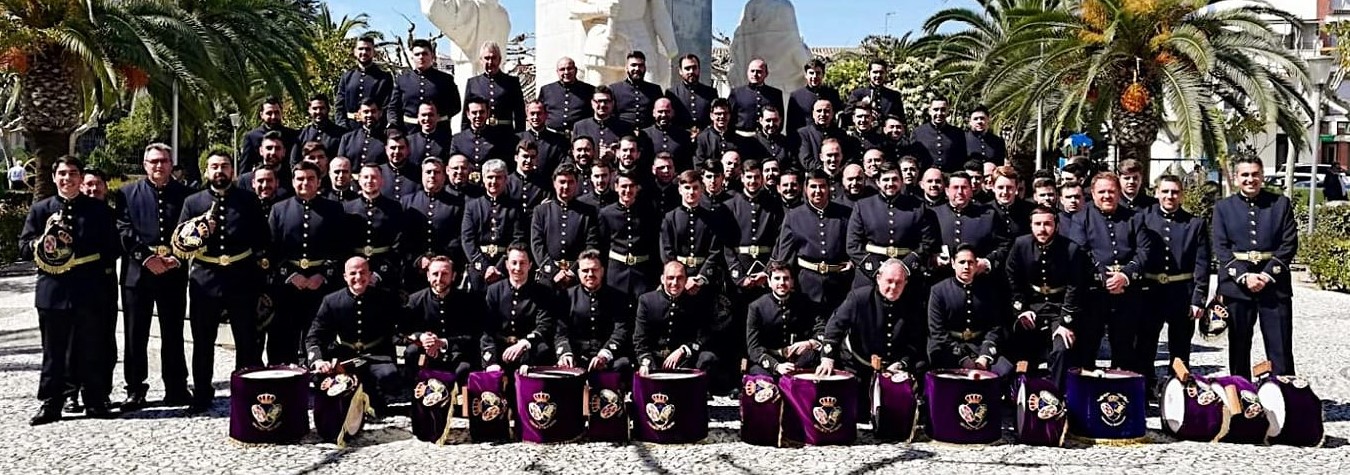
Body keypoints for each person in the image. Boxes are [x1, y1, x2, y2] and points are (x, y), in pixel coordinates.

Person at [21, 156, 122, 424]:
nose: (68, 178)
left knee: (92, 347)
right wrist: (41, 244)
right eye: (62, 173)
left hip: (89, 289)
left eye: (73, 173)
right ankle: (51, 403)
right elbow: (24, 245)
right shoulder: (41, 210)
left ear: (80, 178)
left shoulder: (98, 211)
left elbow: (113, 248)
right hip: (52, 291)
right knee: (53, 351)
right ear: (54, 177)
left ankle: (95, 400)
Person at [115, 143, 193, 411]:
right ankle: (135, 389)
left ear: (171, 164)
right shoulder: (127, 193)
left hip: (173, 273)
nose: (158, 166)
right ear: (145, 165)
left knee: (173, 332)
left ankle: (176, 387)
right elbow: (123, 229)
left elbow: (191, 232)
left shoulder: (186, 195)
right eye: (153, 162)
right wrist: (146, 258)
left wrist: (177, 257)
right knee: (136, 335)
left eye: (163, 161)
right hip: (138, 276)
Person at [1213, 156, 1298, 378]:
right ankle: (1242, 397)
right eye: (1245, 175)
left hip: (1274, 286)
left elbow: (1289, 243)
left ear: (1262, 175)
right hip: (1237, 289)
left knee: (1280, 347)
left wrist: (1266, 275)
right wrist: (1243, 276)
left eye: (1255, 174)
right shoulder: (1223, 207)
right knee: (1239, 347)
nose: (1250, 179)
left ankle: (1283, 399)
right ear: (1236, 177)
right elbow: (1221, 247)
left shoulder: (1280, 204)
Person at [1067, 172, 1155, 375]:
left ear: (1119, 193)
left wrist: (1125, 275)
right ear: (1093, 194)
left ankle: (1122, 394)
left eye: (1111, 191)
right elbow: (1080, 250)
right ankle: (1086, 396)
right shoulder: (1082, 218)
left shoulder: (1134, 218)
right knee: (1087, 347)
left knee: (1124, 349)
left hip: (1127, 292)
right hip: (1094, 294)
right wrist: (1105, 278)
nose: (1107, 196)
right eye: (1102, 192)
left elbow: (1144, 250)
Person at [267, 162, 347, 365]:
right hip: (289, 284)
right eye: (300, 178)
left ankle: (319, 375)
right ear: (293, 181)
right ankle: (284, 377)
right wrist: (290, 275)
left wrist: (323, 274)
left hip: (321, 284)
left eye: (310, 178)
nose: (305, 183)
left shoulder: (334, 209)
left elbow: (340, 247)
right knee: (284, 333)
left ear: (319, 181)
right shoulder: (279, 209)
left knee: (319, 333)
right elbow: (271, 249)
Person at [305, 257, 404, 416]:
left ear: (370, 275)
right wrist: (317, 360)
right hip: (345, 355)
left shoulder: (385, 299)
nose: (358, 277)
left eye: (363, 272)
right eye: (353, 273)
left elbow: (400, 329)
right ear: (345, 276)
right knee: (320, 379)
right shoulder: (331, 301)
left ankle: (369, 395)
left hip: (377, 354)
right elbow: (314, 336)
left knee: (390, 378)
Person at [1005, 206, 1089, 389]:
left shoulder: (1071, 249)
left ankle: (1054, 394)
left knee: (1062, 347)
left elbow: (1075, 287)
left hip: (1059, 308)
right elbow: (1012, 278)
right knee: (1019, 337)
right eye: (1037, 224)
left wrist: (1066, 322)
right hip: (1032, 306)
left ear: (1056, 226)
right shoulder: (1020, 245)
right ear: (1031, 225)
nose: (1042, 229)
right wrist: (1021, 310)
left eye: (1047, 224)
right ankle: (1022, 391)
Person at [1140, 175, 1210, 378]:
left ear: (1182, 195)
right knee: (1146, 345)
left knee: (1180, 348)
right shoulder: (1144, 219)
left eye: (1175, 192)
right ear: (1156, 193)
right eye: (1165, 191)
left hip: (1181, 293)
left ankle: (1178, 392)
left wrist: (1199, 299)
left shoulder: (1195, 224)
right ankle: (1146, 389)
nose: (1169, 196)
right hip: (1150, 292)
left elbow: (1202, 263)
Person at [816, 259, 927, 383]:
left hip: (895, 371)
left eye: (899, 282)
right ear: (879, 278)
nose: (893, 287)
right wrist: (827, 358)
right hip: (857, 367)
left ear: (905, 282)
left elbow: (916, 340)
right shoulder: (859, 298)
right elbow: (835, 326)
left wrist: (902, 363)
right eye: (889, 281)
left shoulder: (912, 304)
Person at [846, 162, 939, 287]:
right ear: (878, 182)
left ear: (901, 181)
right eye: (885, 179)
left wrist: (904, 267)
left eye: (894, 179)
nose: (890, 184)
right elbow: (853, 245)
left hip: (906, 273)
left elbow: (927, 243)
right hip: (871, 275)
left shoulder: (918, 207)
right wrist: (878, 269)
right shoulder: (862, 207)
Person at [927, 245, 1014, 376]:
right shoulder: (938, 291)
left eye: (970, 262)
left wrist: (985, 356)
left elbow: (995, 327)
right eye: (961, 262)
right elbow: (937, 331)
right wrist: (963, 358)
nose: (966, 267)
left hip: (979, 346)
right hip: (949, 348)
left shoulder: (988, 291)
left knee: (1005, 370)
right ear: (953, 264)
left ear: (976, 264)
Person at [773, 169, 853, 308]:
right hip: (806, 286)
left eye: (822, 186)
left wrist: (852, 262)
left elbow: (855, 244)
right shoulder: (794, 217)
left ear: (828, 188)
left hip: (839, 284)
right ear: (805, 189)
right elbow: (785, 256)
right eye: (813, 187)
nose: (818, 191)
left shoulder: (845, 214)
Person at [403, 256, 485, 386]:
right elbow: (405, 330)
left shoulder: (468, 302)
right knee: (411, 352)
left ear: (453, 276)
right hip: (427, 353)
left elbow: (473, 334)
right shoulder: (415, 300)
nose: (439, 279)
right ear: (428, 276)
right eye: (435, 274)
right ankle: (414, 400)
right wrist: (422, 337)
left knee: (465, 369)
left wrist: (443, 343)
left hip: (456, 353)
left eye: (445, 274)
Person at [555, 249, 634, 372]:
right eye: (585, 271)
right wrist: (566, 354)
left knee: (624, 364)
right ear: (579, 273)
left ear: (602, 271)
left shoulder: (617, 297)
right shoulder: (567, 297)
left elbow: (621, 330)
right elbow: (561, 333)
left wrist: (604, 355)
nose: (590, 274)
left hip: (607, 358)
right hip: (576, 358)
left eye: (594, 270)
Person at [634, 261, 718, 375]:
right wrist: (646, 362)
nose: (675, 283)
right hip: (655, 360)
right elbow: (640, 340)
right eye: (670, 278)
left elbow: (703, 336)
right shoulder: (647, 301)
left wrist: (683, 350)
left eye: (680, 278)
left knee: (708, 358)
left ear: (685, 280)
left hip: (684, 360)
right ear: (662, 279)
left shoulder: (696, 302)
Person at [745, 261, 826, 376]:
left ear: (792, 281)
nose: (782, 283)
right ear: (769, 282)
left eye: (786, 278)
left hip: (800, 362)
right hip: (770, 363)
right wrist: (776, 366)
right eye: (777, 278)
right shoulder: (756, 307)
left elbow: (821, 328)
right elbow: (754, 349)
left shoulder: (805, 303)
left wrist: (810, 343)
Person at [482, 245, 555, 370]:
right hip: (500, 348)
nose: (517, 268)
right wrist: (491, 361)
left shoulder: (542, 292)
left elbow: (544, 326)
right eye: (514, 263)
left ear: (530, 265)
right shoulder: (494, 290)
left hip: (529, 348)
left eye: (522, 263)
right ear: (506, 264)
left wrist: (524, 343)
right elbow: (488, 329)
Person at [401, 157, 468, 293]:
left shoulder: (457, 203)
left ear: (444, 175)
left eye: (437, 172)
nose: (432, 176)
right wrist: (417, 259)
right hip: (415, 270)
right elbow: (402, 237)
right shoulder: (407, 202)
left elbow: (459, 237)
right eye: (428, 172)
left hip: (445, 271)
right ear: (422, 174)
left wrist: (440, 261)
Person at [461, 159, 528, 293]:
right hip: (479, 267)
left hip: (505, 268)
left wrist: (500, 267)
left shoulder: (514, 207)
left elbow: (517, 239)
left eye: (498, 177)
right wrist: (485, 267)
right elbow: (467, 239)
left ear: (505, 179)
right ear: (483, 179)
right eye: (490, 177)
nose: (493, 182)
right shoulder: (472, 206)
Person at [531, 163, 601, 289]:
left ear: (576, 184)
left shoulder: (588, 212)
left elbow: (591, 244)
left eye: (570, 182)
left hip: (578, 278)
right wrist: (553, 272)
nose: (566, 186)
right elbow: (537, 244)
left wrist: (572, 271)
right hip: (548, 278)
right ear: (554, 183)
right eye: (562, 182)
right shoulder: (541, 211)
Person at [599, 171, 662, 298]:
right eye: (624, 186)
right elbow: (602, 245)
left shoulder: (648, 211)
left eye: (631, 186)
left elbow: (654, 243)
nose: (628, 190)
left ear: (637, 188)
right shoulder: (606, 213)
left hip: (642, 271)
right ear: (616, 187)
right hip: (616, 271)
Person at [345, 163, 405, 290]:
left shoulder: (394, 208)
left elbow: (398, 244)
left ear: (381, 181)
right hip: (354, 275)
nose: (369, 181)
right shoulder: (347, 208)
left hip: (384, 271)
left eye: (374, 177)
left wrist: (379, 274)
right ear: (359, 180)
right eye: (365, 177)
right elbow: (344, 244)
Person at [391, 38, 460, 131]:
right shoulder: (402, 79)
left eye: (424, 53)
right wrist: (394, 126)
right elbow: (393, 107)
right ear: (412, 57)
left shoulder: (445, 79)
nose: (421, 57)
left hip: (439, 132)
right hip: (410, 133)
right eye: (417, 54)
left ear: (432, 55)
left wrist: (440, 118)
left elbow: (456, 105)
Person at [463, 41, 526, 133]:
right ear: (481, 60)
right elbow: (466, 115)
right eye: (487, 58)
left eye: (493, 58)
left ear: (500, 59)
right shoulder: (473, 83)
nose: (490, 62)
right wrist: (465, 137)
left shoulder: (512, 82)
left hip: (505, 135)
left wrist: (520, 138)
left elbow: (519, 114)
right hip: (482, 136)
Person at [335, 36, 394, 130]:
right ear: (355, 52)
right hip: (349, 129)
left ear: (373, 52)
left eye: (367, 49)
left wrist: (379, 128)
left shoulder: (384, 78)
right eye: (360, 49)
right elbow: (339, 107)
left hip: (376, 131)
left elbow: (387, 107)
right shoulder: (347, 77)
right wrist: (342, 127)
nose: (364, 52)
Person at [450, 97, 516, 168]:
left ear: (488, 113)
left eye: (481, 112)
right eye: (474, 113)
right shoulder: (457, 139)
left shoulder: (499, 138)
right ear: (468, 114)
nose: (478, 116)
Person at [538, 56, 596, 134]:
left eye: (569, 68)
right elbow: (539, 112)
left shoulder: (589, 90)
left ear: (575, 70)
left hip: (579, 136)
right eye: (562, 69)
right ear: (557, 72)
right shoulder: (546, 90)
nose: (566, 72)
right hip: (551, 137)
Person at [609, 50, 664, 130]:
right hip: (623, 135)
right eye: (633, 65)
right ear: (627, 68)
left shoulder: (655, 90)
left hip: (648, 136)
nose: (637, 68)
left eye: (640, 65)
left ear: (645, 68)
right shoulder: (614, 89)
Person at [240, 97, 299, 172]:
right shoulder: (252, 137)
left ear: (281, 113)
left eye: (276, 113)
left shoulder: (292, 135)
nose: (273, 117)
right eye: (269, 113)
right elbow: (245, 167)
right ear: (262, 115)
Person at [727, 58, 785, 133]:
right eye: (752, 71)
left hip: (766, 139)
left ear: (766, 73)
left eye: (759, 71)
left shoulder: (775, 94)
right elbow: (728, 118)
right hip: (742, 139)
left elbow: (780, 119)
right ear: (747, 73)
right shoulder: (736, 93)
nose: (755, 74)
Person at [572, 85, 635, 152]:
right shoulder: (580, 127)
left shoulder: (625, 127)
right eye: (599, 101)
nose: (602, 105)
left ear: (612, 103)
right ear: (592, 103)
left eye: (606, 101)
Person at [665, 53, 718, 133]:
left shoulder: (710, 93)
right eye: (687, 68)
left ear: (699, 69)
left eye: (694, 68)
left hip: (705, 140)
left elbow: (715, 118)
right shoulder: (672, 93)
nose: (691, 71)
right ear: (680, 71)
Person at [788, 59, 843, 136]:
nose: (814, 76)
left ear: (823, 74)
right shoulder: (796, 96)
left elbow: (837, 117)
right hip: (805, 139)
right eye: (811, 73)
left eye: (818, 73)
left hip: (829, 137)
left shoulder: (832, 94)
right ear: (806, 75)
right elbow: (791, 124)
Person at [910, 97, 966, 172]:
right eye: (935, 109)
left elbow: (962, 159)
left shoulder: (958, 133)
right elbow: (914, 159)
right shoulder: (918, 132)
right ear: (930, 111)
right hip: (927, 178)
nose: (939, 113)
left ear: (948, 111)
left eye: (943, 110)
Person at [518, 100, 570, 178]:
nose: (535, 117)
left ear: (546, 115)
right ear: (527, 116)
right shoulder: (518, 138)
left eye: (539, 113)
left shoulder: (558, 140)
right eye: (532, 114)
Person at [292, 94, 348, 166]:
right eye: (315, 108)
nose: (318, 111)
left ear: (328, 109)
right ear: (309, 110)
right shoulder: (302, 134)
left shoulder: (341, 133)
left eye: (322, 108)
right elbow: (294, 161)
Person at [642, 98, 694, 170]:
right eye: (660, 111)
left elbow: (687, 162)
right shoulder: (645, 134)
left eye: (667, 111)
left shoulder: (683, 135)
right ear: (654, 113)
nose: (663, 115)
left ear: (673, 113)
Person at [849, 59, 904, 125]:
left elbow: (901, 120)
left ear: (886, 74)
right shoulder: (858, 94)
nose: (878, 75)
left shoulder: (894, 96)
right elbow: (847, 115)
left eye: (881, 72)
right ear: (869, 74)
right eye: (875, 72)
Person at [797, 99, 847, 171]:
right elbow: (806, 160)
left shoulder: (840, 133)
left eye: (826, 111)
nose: (822, 114)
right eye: (819, 111)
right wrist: (824, 170)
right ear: (813, 114)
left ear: (832, 114)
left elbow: (845, 156)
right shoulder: (804, 134)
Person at [694, 98, 739, 165]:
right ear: (711, 116)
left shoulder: (737, 138)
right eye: (718, 114)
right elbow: (699, 163)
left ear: (729, 115)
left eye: (725, 113)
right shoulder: (702, 138)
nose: (722, 116)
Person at [379, 131, 419, 201]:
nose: (397, 151)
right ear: (386, 149)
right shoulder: (378, 172)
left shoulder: (418, 173)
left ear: (408, 149)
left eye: (401, 148)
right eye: (393, 148)